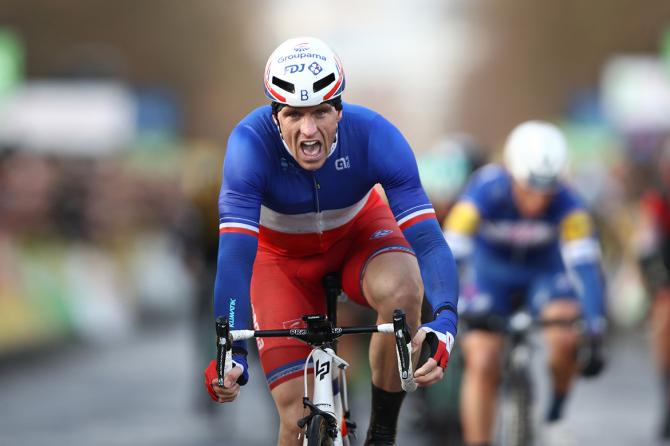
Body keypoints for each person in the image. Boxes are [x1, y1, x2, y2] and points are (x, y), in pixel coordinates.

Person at [202, 36, 459, 446]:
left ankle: (383, 433)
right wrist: (230, 352)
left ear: (339, 110)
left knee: (403, 290)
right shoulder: (248, 147)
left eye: (321, 112)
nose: (309, 131)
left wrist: (445, 320)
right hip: (282, 261)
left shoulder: (375, 135)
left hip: (360, 237)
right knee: (293, 416)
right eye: (294, 115)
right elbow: (234, 259)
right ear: (275, 116)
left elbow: (427, 240)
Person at [443, 120, 607, 446]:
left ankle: (556, 415)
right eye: (530, 186)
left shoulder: (569, 202)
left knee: (564, 337)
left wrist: (594, 326)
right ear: (511, 171)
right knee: (483, 358)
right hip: (489, 275)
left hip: (543, 274)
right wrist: (445, 304)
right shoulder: (484, 188)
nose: (538, 199)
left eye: (548, 188)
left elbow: (586, 265)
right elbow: (452, 249)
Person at [636, 140, 670, 441]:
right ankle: (666, 395)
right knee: (665, 317)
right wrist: (658, 284)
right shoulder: (656, 200)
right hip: (665, 273)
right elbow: (645, 244)